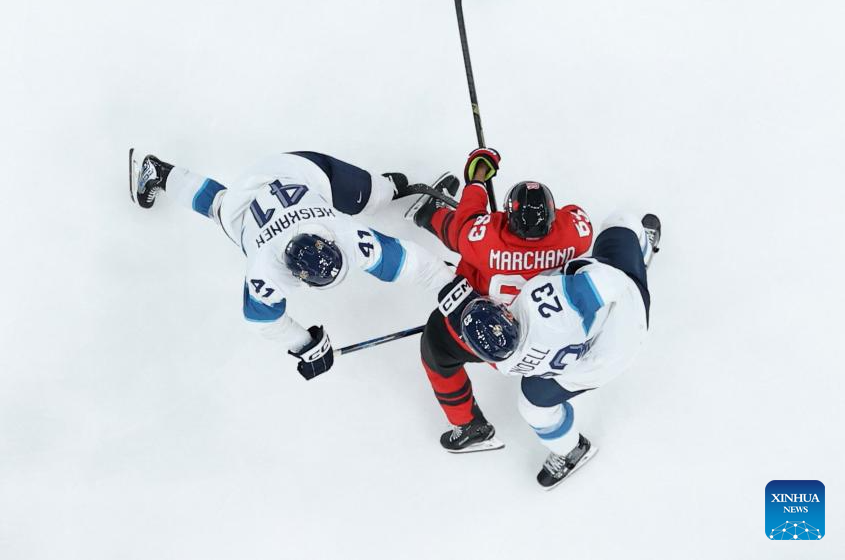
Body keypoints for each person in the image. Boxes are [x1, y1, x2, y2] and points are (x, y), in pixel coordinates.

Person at [128, 148, 452, 381]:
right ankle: (160, 172)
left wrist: (306, 345)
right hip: (245, 206)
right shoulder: (267, 269)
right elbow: (260, 320)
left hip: (293, 171)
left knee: (373, 195)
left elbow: (407, 261)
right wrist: (450, 285)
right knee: (221, 207)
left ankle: (386, 189)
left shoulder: (343, 233)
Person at [434, 206, 661, 489]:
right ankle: (642, 253)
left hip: (590, 358)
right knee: (621, 221)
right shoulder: (541, 305)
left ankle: (571, 450)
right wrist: (583, 277)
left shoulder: (506, 362)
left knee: (533, 407)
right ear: (506, 316)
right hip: (622, 325)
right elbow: (613, 283)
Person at [408, 148, 594, 453]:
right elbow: (575, 215)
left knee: (436, 348)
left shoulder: (485, 239)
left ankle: (468, 425)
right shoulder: (576, 236)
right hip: (550, 341)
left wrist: (478, 177)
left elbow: (463, 226)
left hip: (489, 336)